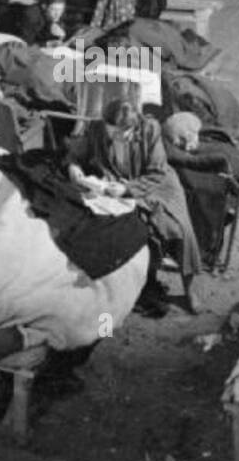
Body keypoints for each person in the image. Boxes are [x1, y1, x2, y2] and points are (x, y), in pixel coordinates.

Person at [68, 98, 202, 314]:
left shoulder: (151, 129)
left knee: (181, 230)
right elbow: (76, 152)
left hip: (157, 185)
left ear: (135, 126)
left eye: (124, 134)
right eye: (113, 133)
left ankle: (190, 289)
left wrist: (127, 189)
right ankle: (146, 282)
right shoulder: (97, 129)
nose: (117, 138)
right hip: (119, 185)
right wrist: (73, 167)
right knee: (136, 230)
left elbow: (157, 171)